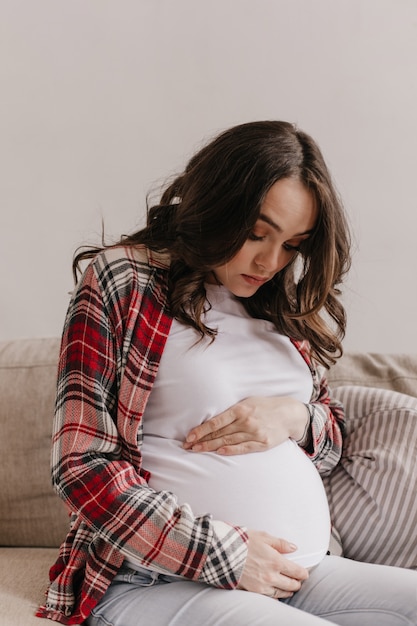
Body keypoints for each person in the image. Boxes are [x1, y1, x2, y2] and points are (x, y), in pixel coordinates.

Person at [37, 121, 417, 626]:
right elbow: (82, 464)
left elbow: (331, 437)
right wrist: (227, 555)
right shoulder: (124, 281)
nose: (270, 260)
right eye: (257, 233)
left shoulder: (279, 307)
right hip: (156, 579)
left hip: (296, 574)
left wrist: (295, 418)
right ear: (218, 205)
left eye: (292, 245)